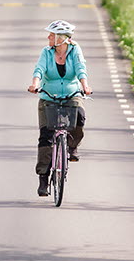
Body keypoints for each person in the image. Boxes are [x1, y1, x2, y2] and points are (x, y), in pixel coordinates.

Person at [27, 20, 92, 197]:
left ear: (61, 39)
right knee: (46, 137)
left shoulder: (75, 50)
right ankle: (43, 178)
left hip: (72, 94)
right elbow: (39, 69)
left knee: (79, 117)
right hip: (48, 95)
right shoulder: (46, 52)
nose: (48, 37)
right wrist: (34, 84)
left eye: (52, 35)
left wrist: (85, 85)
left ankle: (72, 147)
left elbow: (80, 69)